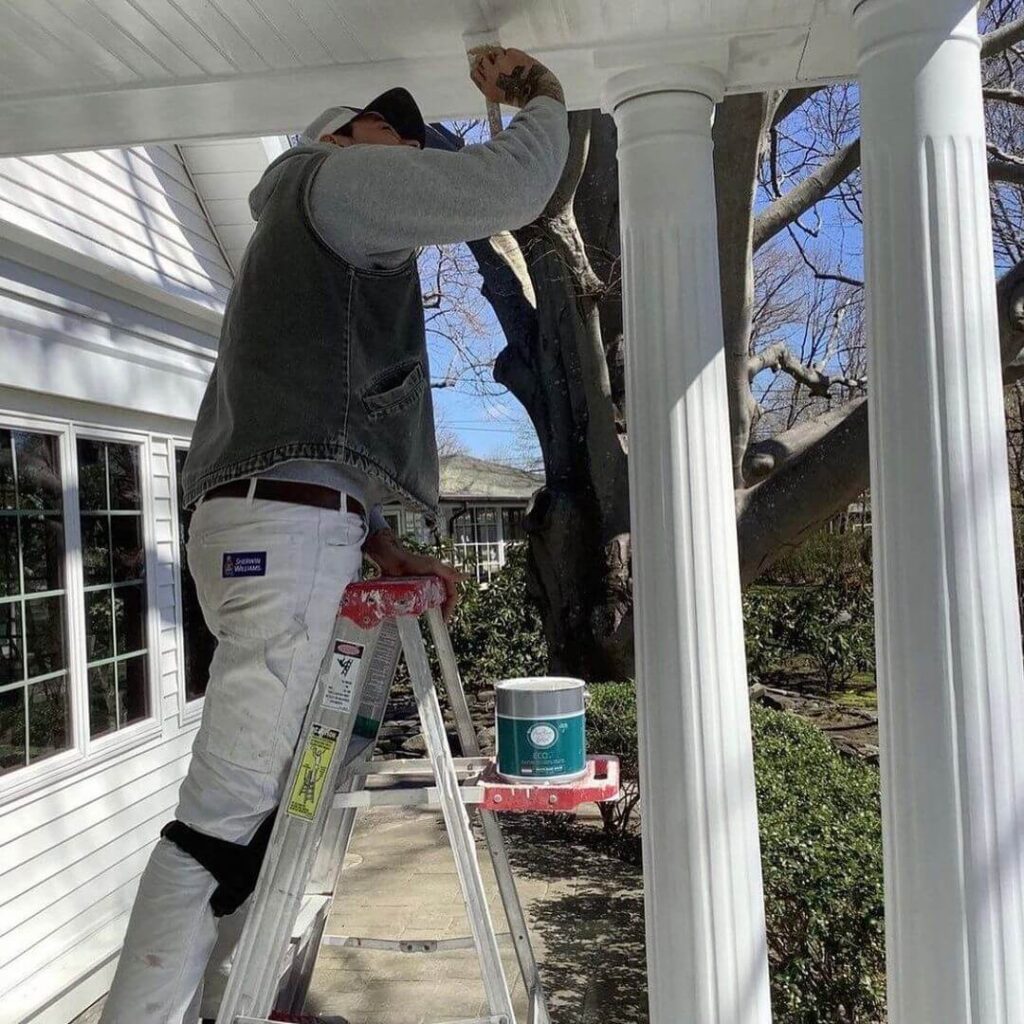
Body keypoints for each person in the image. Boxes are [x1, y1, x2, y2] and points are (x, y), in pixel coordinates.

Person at [97, 46, 568, 1024]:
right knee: (220, 818)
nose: (402, 147)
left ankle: (236, 995)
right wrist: (539, 99)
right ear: (336, 134)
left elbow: (308, 428)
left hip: (280, 526)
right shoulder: (336, 184)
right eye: (387, 129)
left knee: (266, 799)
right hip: (284, 536)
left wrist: (373, 542)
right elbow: (516, 182)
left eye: (413, 138)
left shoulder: (310, 249)